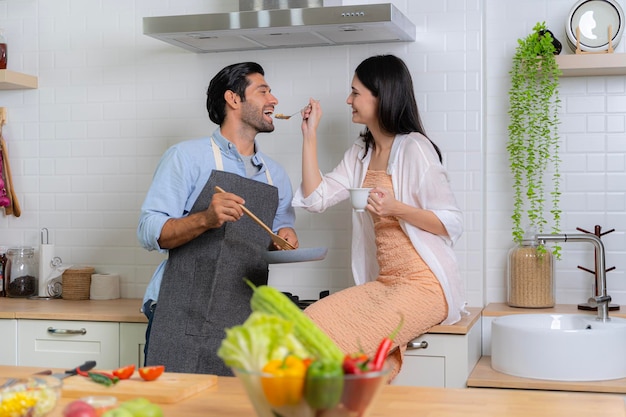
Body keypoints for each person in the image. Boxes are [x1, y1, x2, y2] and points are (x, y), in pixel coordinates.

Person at [292, 54, 466, 379]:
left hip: (424, 286)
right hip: (386, 283)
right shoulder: (361, 154)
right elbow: (316, 198)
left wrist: (396, 208)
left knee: (340, 352)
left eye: (356, 92)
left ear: (381, 95)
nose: (348, 100)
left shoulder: (415, 148)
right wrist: (309, 135)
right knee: (307, 325)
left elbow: (451, 222)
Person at [137, 62, 299, 376]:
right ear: (233, 100)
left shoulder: (275, 174)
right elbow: (147, 231)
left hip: (243, 317)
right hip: (179, 310)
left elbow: (281, 230)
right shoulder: (185, 157)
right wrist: (206, 218)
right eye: (263, 91)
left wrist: (286, 236)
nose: (274, 99)